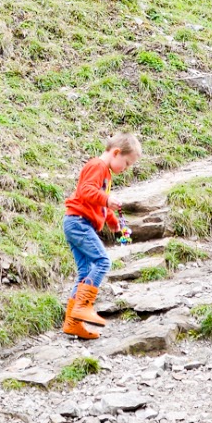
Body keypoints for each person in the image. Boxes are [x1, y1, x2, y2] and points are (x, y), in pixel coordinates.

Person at [62, 132, 142, 338]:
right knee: (103, 261)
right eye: (126, 163)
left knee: (85, 271)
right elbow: (85, 191)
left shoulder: (105, 173)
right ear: (116, 153)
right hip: (79, 223)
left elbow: (100, 205)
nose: (126, 169)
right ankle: (83, 307)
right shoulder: (97, 166)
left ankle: (72, 322)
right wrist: (107, 200)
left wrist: (114, 224)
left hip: (76, 223)